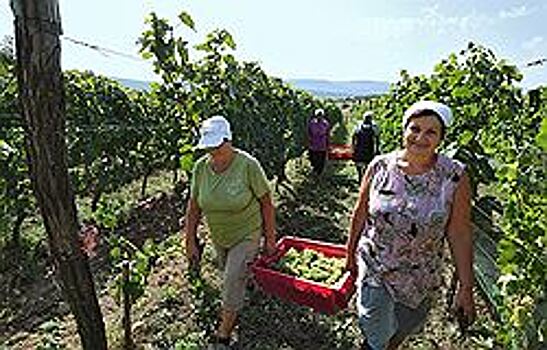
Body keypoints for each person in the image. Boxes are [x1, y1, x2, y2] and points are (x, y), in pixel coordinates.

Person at [345, 101, 475, 350]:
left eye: (430, 132)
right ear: (404, 131)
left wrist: (466, 287)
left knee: (404, 328)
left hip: (421, 275)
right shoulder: (380, 166)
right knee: (376, 333)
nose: (420, 138)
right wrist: (349, 255)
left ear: (441, 138)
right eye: (415, 129)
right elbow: (360, 212)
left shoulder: (454, 175)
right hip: (377, 267)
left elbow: (459, 233)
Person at [184, 115, 277, 349]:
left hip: (247, 232)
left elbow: (266, 203)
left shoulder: (247, 165)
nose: (213, 151)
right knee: (233, 273)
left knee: (230, 280)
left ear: (228, 140)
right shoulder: (200, 169)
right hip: (220, 235)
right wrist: (190, 240)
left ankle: (223, 335)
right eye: (209, 146)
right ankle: (250, 283)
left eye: (217, 145)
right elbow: (194, 207)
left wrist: (270, 239)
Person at [352, 111, 379, 180]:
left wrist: (353, 147)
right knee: (367, 165)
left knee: (359, 164)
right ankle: (364, 177)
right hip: (369, 149)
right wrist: (377, 149)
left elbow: (353, 137)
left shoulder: (358, 127)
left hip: (359, 148)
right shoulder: (373, 128)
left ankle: (360, 177)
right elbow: (377, 139)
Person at [307, 108, 330, 175]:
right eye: (318, 115)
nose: (319, 117)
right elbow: (309, 134)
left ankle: (319, 176)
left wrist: (327, 145)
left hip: (322, 147)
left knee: (321, 163)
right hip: (313, 147)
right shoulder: (311, 123)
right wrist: (309, 143)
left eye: (320, 115)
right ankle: (315, 175)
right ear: (315, 116)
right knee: (314, 162)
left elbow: (327, 135)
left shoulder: (325, 124)